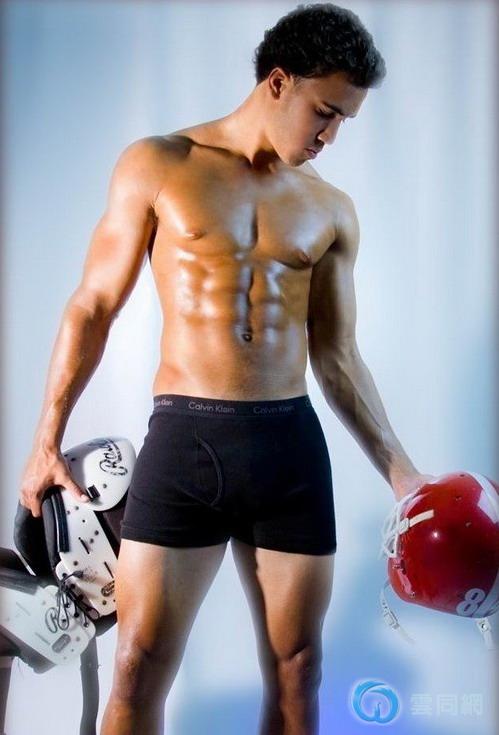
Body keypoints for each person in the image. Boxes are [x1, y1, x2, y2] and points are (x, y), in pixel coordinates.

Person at [19, 4, 434, 734]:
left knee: (299, 668)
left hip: (288, 449)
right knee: (137, 665)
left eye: (344, 121)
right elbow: (92, 305)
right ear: (278, 81)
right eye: (324, 112)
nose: (330, 136)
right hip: (187, 442)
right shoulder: (160, 164)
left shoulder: (330, 210)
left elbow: (336, 355)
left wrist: (402, 475)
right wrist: (45, 438)